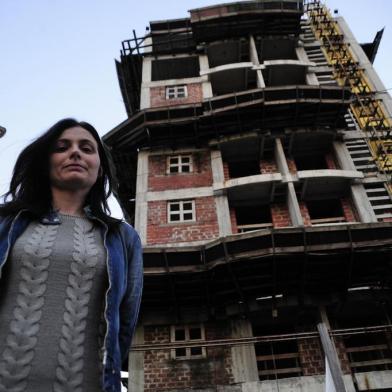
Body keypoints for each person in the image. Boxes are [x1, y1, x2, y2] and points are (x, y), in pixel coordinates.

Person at [0, 118, 143, 392]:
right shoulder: (5, 222)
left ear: (100, 169)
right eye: (62, 147)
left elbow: (124, 324)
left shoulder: (123, 238)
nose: (75, 152)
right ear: (45, 163)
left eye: (87, 148)